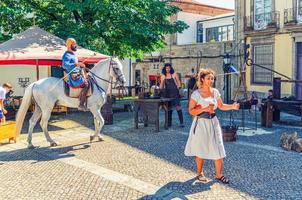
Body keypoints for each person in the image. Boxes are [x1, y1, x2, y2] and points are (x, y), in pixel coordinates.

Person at [184, 68, 239, 184]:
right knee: (201, 148)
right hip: (201, 123)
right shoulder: (196, 94)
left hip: (213, 122)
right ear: (202, 79)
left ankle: (219, 175)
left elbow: (221, 106)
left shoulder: (215, 92)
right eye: (208, 78)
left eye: (212, 78)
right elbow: (191, 111)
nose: (211, 80)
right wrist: (204, 108)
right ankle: (199, 173)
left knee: (218, 147)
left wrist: (232, 107)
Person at [62, 38, 89, 111]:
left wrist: (81, 65)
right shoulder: (66, 55)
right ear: (70, 45)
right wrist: (76, 64)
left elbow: (76, 65)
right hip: (72, 76)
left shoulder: (73, 55)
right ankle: (81, 104)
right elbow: (65, 65)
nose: (76, 46)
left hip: (78, 73)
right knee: (86, 84)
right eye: (74, 44)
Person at [160, 63, 184, 127]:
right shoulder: (163, 76)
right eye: (166, 68)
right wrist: (160, 88)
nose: (168, 69)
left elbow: (179, 82)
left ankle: (181, 123)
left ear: (171, 68)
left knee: (178, 107)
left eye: (169, 68)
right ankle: (169, 123)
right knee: (169, 108)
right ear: (165, 69)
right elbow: (161, 86)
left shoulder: (174, 74)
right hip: (167, 94)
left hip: (175, 93)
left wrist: (179, 88)